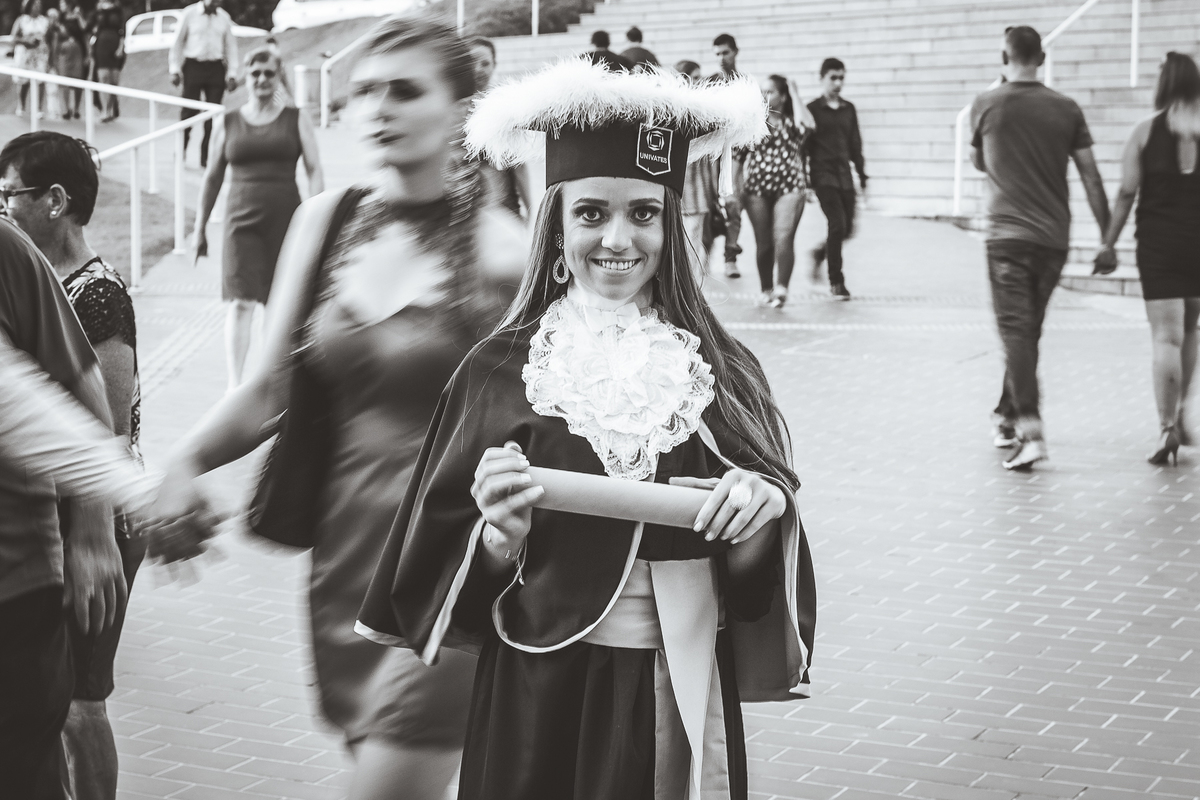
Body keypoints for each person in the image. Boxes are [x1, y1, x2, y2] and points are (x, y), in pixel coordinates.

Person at [358, 59, 817, 800]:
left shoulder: (723, 369)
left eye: (644, 213)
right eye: (592, 213)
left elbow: (757, 586)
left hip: (674, 688)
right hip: (535, 692)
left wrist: (760, 514)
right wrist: (498, 536)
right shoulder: (497, 369)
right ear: (557, 224)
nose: (618, 238)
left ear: (671, 223)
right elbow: (443, 586)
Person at [150, 16, 525, 800]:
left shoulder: (509, 250)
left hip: (452, 563)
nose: (379, 107)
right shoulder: (324, 223)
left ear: (461, 109)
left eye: (405, 90)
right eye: (365, 91)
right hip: (345, 557)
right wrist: (184, 462)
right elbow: (267, 391)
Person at [0, 131, 142, 800]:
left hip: (86, 524)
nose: (4, 205)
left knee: (82, 705)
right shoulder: (39, 270)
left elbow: (105, 424)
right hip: (70, 517)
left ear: (55, 201)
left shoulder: (97, 292)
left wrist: (94, 529)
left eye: (10, 193)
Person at [970, 25, 1111, 470]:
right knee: (1026, 333)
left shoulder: (987, 103)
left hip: (1007, 239)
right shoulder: (1066, 108)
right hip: (1053, 239)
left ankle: (1031, 432)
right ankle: (1006, 416)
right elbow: (1091, 176)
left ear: (1004, 57)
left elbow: (980, 161)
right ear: (1043, 59)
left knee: (1017, 333)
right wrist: (1107, 239)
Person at [191, 46, 324, 389]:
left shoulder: (295, 118)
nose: (262, 79)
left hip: (286, 222)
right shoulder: (228, 121)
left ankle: (268, 384)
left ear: (279, 76)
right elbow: (212, 178)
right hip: (240, 224)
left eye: (269, 73)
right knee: (241, 302)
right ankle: (235, 386)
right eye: (255, 73)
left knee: (277, 304)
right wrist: (199, 227)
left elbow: (314, 169)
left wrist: (317, 217)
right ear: (245, 78)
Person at [1098, 52, 1200, 465]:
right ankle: (1182, 412)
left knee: (1165, 337)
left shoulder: (1144, 132)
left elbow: (1126, 193)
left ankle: (1166, 427)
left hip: (1158, 246)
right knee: (1189, 330)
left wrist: (1108, 244)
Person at [742, 75, 811, 308]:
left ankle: (781, 289)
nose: (764, 96)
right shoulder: (754, 123)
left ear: (782, 96)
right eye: (762, 91)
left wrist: (794, 92)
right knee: (764, 243)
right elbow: (737, 156)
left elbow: (808, 125)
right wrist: (733, 192)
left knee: (783, 236)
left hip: (790, 187)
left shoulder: (792, 122)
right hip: (757, 189)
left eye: (770, 91)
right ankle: (766, 289)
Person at [807, 58, 866, 300]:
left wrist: (862, 175)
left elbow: (855, 144)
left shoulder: (849, 109)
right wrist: (806, 182)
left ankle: (819, 253)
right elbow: (804, 146)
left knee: (848, 228)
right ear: (822, 78)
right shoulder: (812, 109)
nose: (838, 83)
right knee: (837, 224)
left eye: (841, 78)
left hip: (844, 176)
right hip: (822, 176)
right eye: (833, 78)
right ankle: (836, 282)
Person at [469, 35, 533, 221]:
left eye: (485, 63)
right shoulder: (451, 110)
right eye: (472, 62)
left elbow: (518, 164)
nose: (478, 69)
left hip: (505, 210)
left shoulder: (504, 108)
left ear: (494, 65)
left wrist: (530, 208)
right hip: (465, 215)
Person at [169, 0, 238, 168]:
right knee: (188, 111)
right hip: (194, 66)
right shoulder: (189, 14)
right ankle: (181, 151)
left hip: (215, 67)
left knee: (213, 114)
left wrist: (232, 73)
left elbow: (230, 46)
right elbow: (177, 42)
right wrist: (175, 69)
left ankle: (207, 157)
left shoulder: (223, 17)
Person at [676, 59, 720, 277]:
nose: (699, 81)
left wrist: (714, 189)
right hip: (680, 183)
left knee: (692, 239)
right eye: (695, 77)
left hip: (696, 185)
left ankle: (689, 283)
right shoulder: (674, 107)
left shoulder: (703, 108)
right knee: (683, 240)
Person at [710, 33, 745, 278]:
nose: (722, 58)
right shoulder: (711, 83)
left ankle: (730, 256)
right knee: (710, 207)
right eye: (718, 54)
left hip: (736, 154)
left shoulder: (744, 84)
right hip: (712, 153)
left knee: (733, 206)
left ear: (735, 52)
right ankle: (704, 256)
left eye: (725, 52)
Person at [11, 0, 50, 118]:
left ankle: (39, 109)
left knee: (40, 80)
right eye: (35, 5)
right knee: (23, 81)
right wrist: (27, 40)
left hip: (40, 54)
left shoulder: (44, 21)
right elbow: (14, 37)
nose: (38, 7)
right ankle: (21, 106)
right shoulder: (22, 20)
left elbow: (49, 38)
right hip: (25, 54)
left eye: (39, 5)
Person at [86, 0, 124, 122]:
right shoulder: (98, 11)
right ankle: (105, 110)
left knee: (113, 80)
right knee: (103, 77)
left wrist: (121, 47)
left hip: (115, 43)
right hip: (101, 44)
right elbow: (88, 27)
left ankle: (111, 108)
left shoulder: (117, 10)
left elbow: (122, 30)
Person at [51, 1, 88, 120]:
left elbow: (85, 31)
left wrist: (79, 16)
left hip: (78, 52)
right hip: (64, 52)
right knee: (64, 79)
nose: (60, 6)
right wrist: (55, 54)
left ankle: (76, 108)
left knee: (78, 80)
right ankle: (67, 109)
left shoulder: (78, 17)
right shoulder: (60, 19)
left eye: (62, 3)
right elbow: (55, 36)